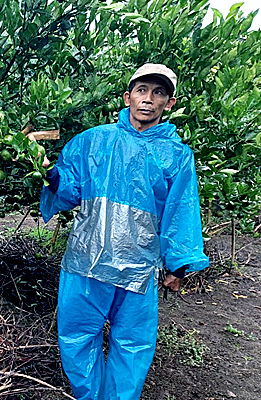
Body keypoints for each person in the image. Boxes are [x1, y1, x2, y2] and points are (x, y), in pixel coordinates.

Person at [40, 63, 209, 399]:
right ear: (127, 96)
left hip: (138, 267)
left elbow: (181, 210)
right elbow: (69, 189)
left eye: (158, 92)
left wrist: (177, 265)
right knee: (76, 336)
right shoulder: (92, 141)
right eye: (142, 90)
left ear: (169, 102)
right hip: (86, 262)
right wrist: (49, 172)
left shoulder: (176, 156)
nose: (148, 99)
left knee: (132, 345)